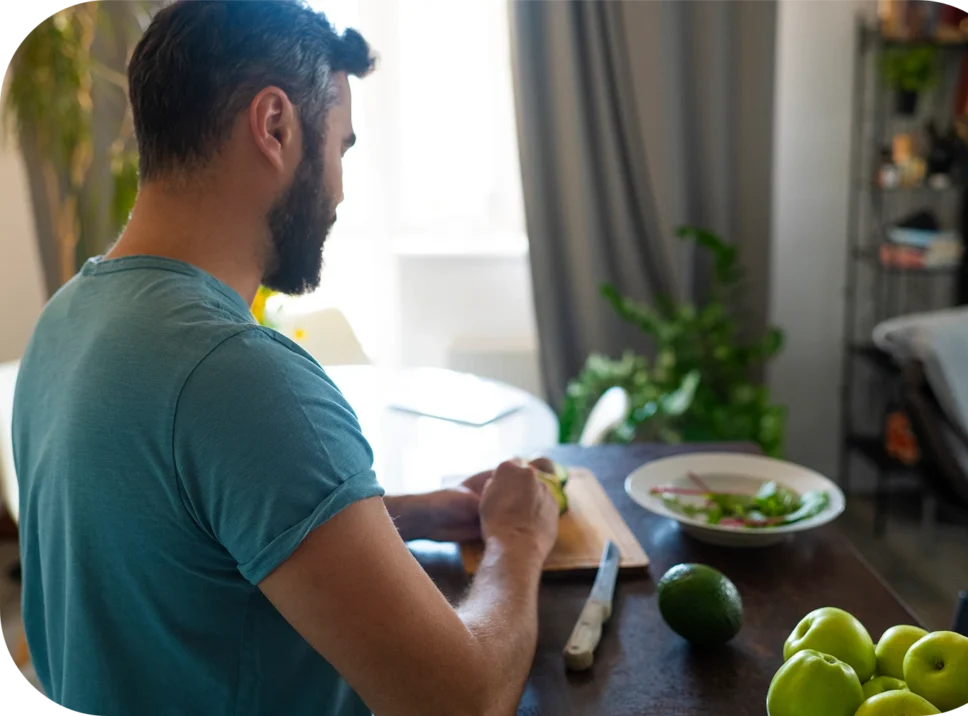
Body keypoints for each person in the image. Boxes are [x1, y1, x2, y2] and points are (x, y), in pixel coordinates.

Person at [12, 1, 559, 714]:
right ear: (275, 126)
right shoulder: (241, 375)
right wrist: (519, 539)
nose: (339, 190)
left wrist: (398, 516)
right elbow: (461, 697)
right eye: (340, 147)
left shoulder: (64, 323)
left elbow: (182, 543)